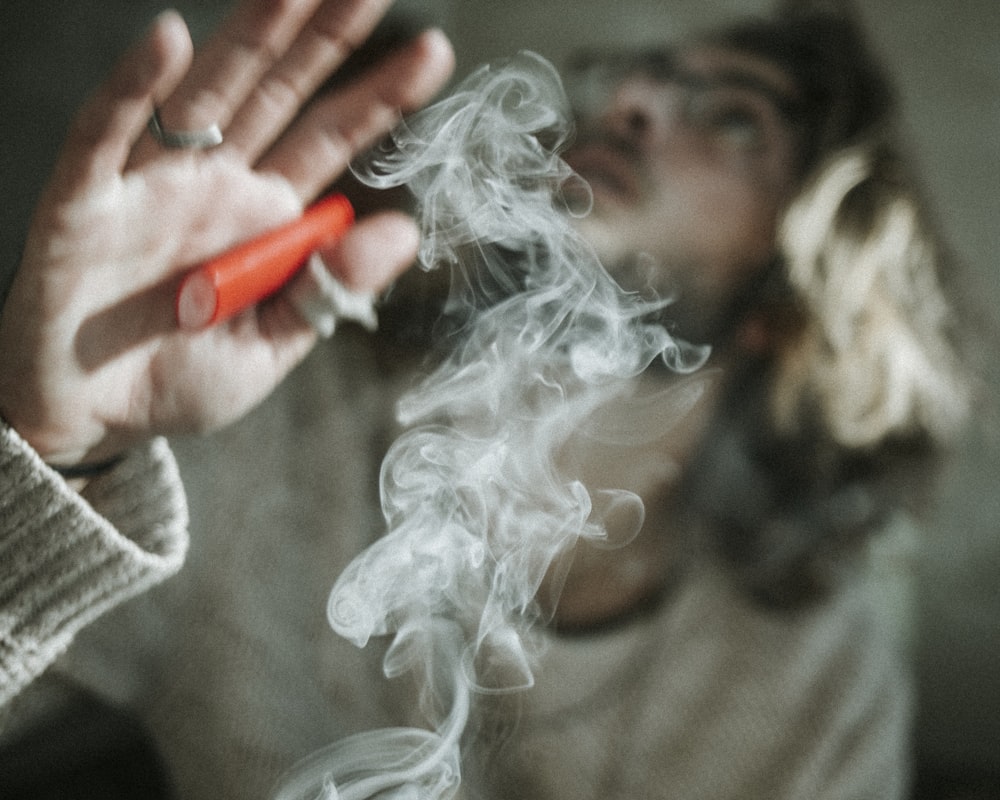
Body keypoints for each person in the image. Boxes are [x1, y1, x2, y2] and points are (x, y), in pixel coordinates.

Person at [0, 1, 969, 799]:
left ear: (793, 296)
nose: (628, 99)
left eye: (733, 118)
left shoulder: (811, 682)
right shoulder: (262, 436)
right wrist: (52, 439)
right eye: (642, 77)